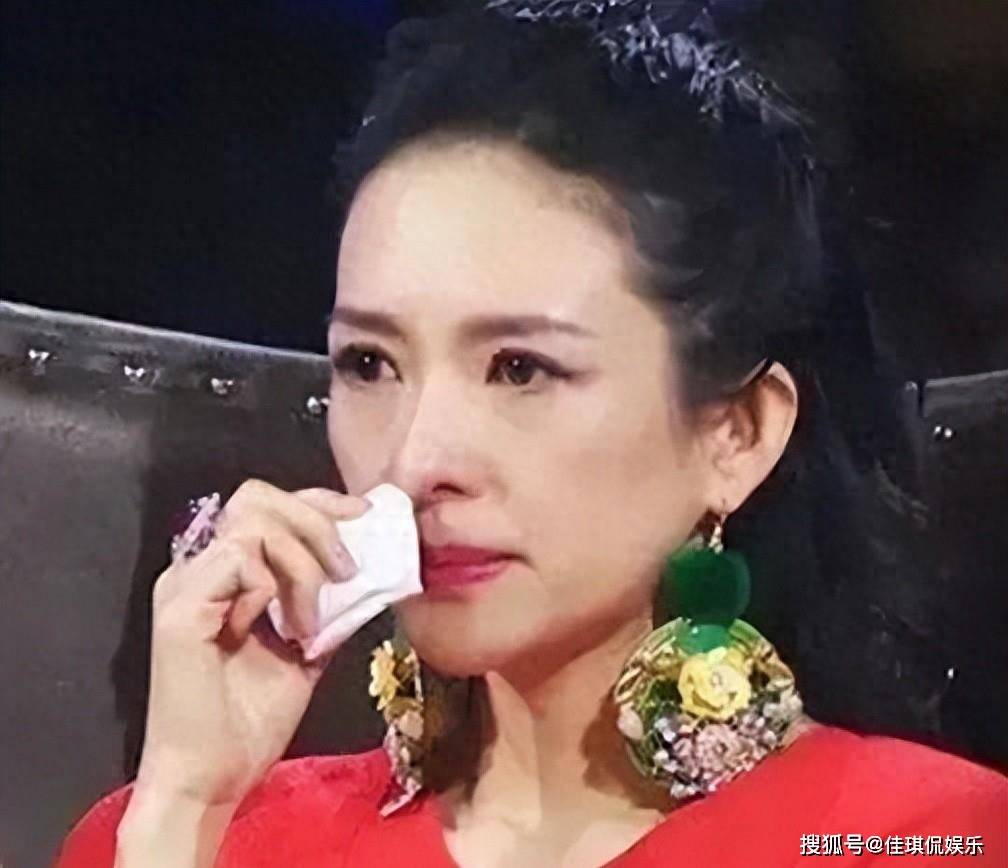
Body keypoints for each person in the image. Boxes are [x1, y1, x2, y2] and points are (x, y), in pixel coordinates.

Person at [54, 2, 1007, 866]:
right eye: (370, 364)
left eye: (520, 369)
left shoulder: (928, 839)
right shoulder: (188, 834)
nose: (416, 462)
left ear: (737, 432)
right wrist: (183, 811)